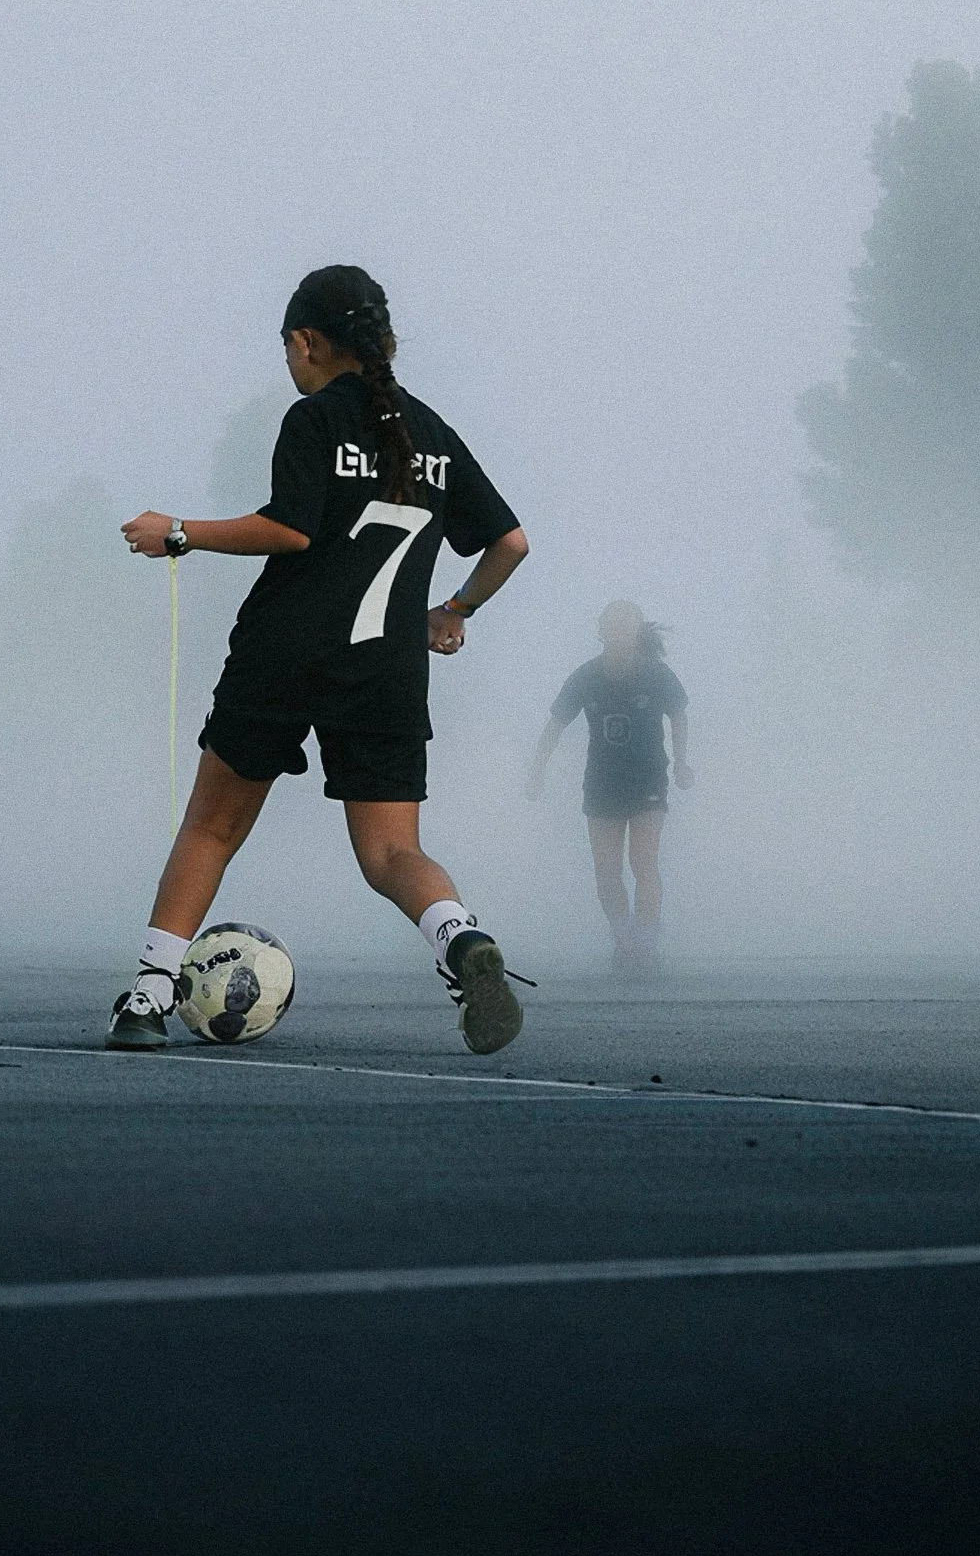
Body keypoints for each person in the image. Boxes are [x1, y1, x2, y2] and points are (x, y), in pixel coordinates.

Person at [109, 265, 531, 1054]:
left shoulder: (314, 420)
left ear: (307, 341)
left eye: (288, 349)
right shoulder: (434, 434)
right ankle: (461, 938)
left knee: (212, 826)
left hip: (286, 652)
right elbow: (511, 542)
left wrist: (178, 531)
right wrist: (453, 611)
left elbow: (291, 529)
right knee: (392, 851)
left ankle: (145, 1000)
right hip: (388, 669)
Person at [527, 602, 689, 973]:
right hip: (602, 782)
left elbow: (678, 715)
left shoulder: (656, 674)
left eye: (626, 624)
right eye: (611, 624)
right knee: (606, 869)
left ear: (637, 629)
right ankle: (624, 939)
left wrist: (681, 762)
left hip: (648, 778)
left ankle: (646, 944)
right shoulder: (586, 676)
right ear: (600, 629)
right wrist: (537, 770)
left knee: (643, 863)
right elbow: (555, 724)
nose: (618, 631)